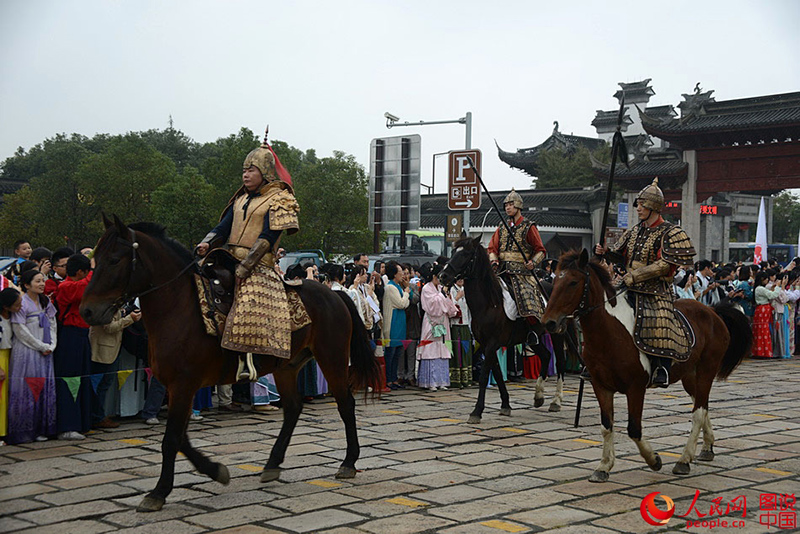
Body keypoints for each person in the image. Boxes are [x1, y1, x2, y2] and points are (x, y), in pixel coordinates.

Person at [196, 133, 300, 369]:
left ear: (265, 173)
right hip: (228, 257)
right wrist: (207, 243)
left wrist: (246, 265)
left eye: (251, 170)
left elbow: (268, 237)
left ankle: (250, 361)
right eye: (244, 170)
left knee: (249, 302)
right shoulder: (240, 199)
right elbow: (223, 228)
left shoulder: (279, 198)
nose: (245, 175)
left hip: (259, 264)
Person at [595, 177, 695, 387]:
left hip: (656, 290)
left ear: (653, 207)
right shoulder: (634, 231)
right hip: (628, 285)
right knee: (603, 311)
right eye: (638, 204)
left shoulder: (670, 232)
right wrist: (606, 252)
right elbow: (620, 256)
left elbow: (664, 265)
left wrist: (635, 275)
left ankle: (662, 367)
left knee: (661, 319)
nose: (638, 208)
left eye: (642, 205)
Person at [7, 271, 57, 444]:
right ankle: (25, 430)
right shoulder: (22, 303)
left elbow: (52, 323)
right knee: (28, 389)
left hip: (46, 351)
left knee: (43, 388)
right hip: (27, 351)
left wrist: (52, 345)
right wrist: (40, 346)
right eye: (37, 281)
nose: (42, 284)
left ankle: (42, 429)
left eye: (43, 280)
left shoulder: (46, 301)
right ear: (27, 285)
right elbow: (20, 330)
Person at [487, 189, 547, 333]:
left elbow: (540, 250)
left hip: (522, 273)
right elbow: (492, 248)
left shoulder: (529, 226)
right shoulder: (502, 227)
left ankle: (533, 331)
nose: (507, 208)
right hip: (501, 270)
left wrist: (532, 263)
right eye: (506, 205)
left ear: (518, 206)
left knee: (527, 299)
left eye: (511, 204)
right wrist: (494, 261)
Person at [54, 253, 94, 440]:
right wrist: (94, 267)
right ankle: (67, 425)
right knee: (70, 380)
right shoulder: (66, 286)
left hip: (82, 336)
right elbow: (87, 284)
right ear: (80, 272)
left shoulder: (74, 283)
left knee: (82, 379)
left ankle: (82, 422)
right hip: (69, 336)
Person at [88, 305, 141, 429]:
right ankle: (95, 417)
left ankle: (99, 415)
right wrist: (130, 318)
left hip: (113, 350)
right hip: (102, 351)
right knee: (97, 385)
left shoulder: (115, 305)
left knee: (105, 384)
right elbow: (109, 327)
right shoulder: (104, 305)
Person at [416, 263, 458, 391]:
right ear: (434, 276)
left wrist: (449, 301)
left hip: (443, 321)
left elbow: (449, 305)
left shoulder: (440, 288)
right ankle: (430, 382)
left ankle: (442, 381)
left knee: (443, 349)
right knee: (430, 349)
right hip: (431, 322)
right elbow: (431, 306)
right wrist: (442, 295)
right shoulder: (426, 288)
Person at [381, 261, 410, 390]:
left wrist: (406, 293)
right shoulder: (390, 287)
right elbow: (402, 303)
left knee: (397, 354)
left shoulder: (397, 286)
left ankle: (394, 379)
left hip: (399, 323)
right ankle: (389, 380)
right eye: (400, 272)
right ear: (394, 274)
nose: (402, 274)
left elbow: (405, 303)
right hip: (392, 324)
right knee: (390, 354)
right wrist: (406, 293)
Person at [0, 288, 23, 445]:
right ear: (6, 306)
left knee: (8, 397)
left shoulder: (12, 317)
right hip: (1, 358)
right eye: (17, 305)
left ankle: (6, 431)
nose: (20, 307)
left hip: (10, 356)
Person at [449, 278, 473, 388]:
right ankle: (456, 379)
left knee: (466, 352)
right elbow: (449, 307)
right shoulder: (451, 290)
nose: (460, 280)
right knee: (457, 352)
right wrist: (457, 298)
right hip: (455, 325)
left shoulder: (466, 289)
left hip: (465, 324)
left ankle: (466, 379)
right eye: (458, 278)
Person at [753, 271, 782, 358]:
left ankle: (760, 351)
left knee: (761, 330)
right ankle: (764, 351)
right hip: (763, 309)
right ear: (762, 279)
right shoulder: (760, 289)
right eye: (766, 279)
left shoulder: (759, 288)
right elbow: (772, 295)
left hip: (762, 309)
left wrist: (772, 288)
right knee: (763, 329)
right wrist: (778, 287)